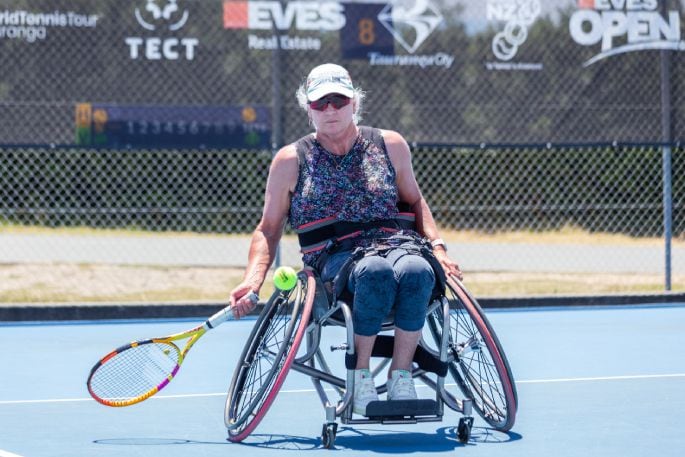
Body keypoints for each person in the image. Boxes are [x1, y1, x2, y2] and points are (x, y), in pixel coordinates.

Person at [229, 63, 462, 416]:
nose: (330, 110)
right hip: (333, 263)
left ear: (354, 102)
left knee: (417, 270)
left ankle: (402, 377)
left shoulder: (390, 144)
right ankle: (360, 376)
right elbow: (268, 229)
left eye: (338, 100)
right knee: (374, 273)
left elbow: (414, 201)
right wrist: (252, 280)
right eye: (320, 103)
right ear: (309, 109)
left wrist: (439, 249)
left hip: (397, 245)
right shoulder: (291, 160)